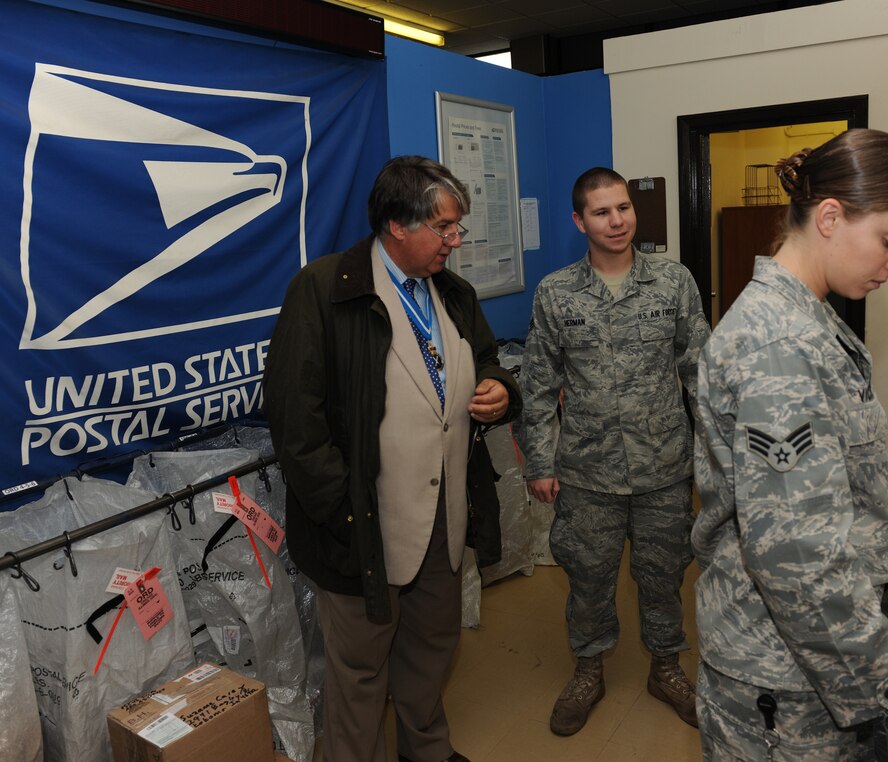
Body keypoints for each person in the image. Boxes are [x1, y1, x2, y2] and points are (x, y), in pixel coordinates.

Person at [691, 129, 888, 760]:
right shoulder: (777, 345)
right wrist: (887, 678)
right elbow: (797, 558)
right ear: (830, 217)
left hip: (805, 663)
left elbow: (785, 471)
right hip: (782, 678)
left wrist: (868, 468)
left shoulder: (807, 314)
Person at [263, 155, 521, 762]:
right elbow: (297, 424)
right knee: (359, 668)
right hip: (360, 525)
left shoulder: (452, 293)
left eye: (458, 227)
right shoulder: (326, 291)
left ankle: (425, 747)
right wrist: (340, 512)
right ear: (398, 226)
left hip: (444, 514)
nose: (456, 241)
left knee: (433, 644)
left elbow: (486, 360)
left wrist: (498, 387)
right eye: (446, 228)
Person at [516, 167, 710, 736]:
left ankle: (667, 667)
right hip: (586, 471)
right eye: (602, 212)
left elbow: (700, 373)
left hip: (664, 466)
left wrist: (713, 457)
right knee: (588, 576)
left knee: (664, 574)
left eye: (623, 208)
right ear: (579, 220)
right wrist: (541, 462)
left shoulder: (674, 282)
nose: (617, 220)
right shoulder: (556, 292)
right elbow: (538, 383)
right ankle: (588, 669)